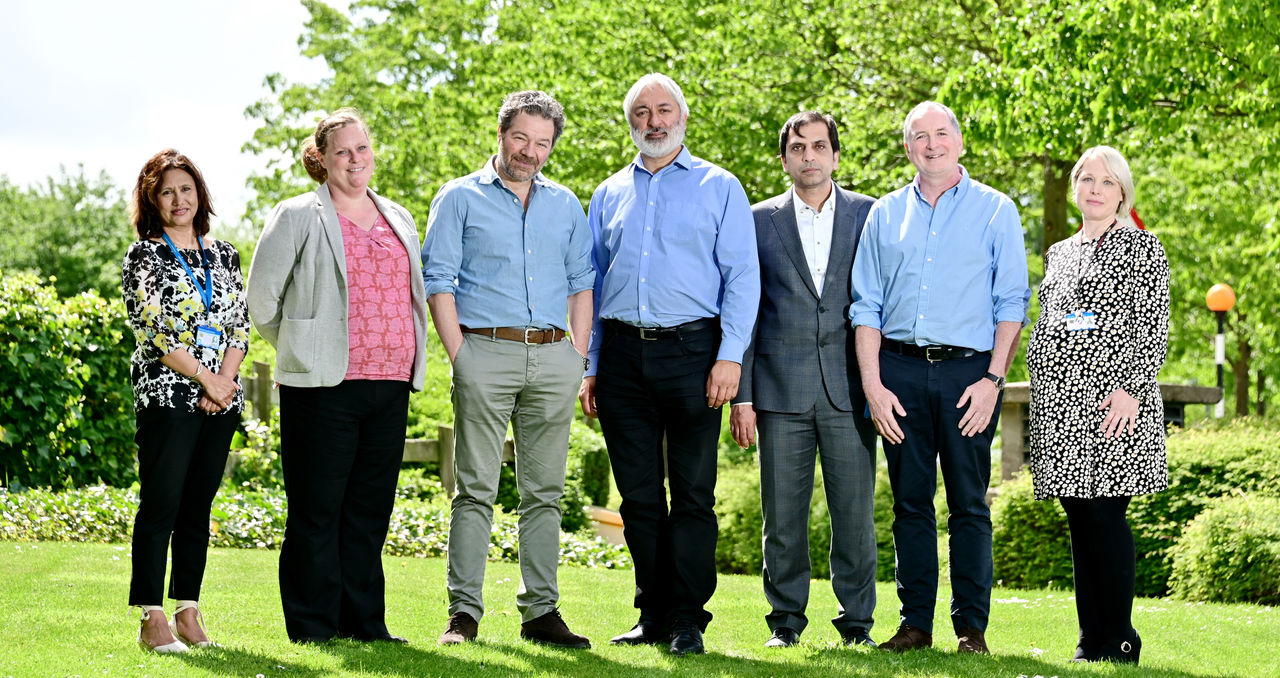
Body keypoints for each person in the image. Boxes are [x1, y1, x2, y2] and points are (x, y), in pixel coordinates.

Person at [579, 72, 760, 656]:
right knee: (637, 497)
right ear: (629, 122)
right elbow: (592, 283)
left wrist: (729, 357)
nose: (653, 121)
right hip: (622, 357)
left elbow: (742, 278)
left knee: (692, 494)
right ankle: (652, 614)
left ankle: (687, 619)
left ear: (682, 117)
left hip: (694, 354)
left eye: (662, 110)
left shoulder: (719, 186)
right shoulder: (608, 193)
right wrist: (591, 365)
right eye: (641, 112)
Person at [850, 101, 1030, 654]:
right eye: (920, 137)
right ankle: (915, 626)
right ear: (908, 148)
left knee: (969, 504)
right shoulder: (884, 214)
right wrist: (874, 386)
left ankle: (971, 630)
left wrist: (993, 380)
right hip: (899, 373)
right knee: (910, 503)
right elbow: (866, 306)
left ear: (959, 140)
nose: (931, 144)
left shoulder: (996, 210)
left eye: (940, 133)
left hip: (970, 376)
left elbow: (1011, 303)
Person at [247, 108, 429, 644]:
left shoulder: (399, 216)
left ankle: (365, 623)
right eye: (342, 151)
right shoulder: (296, 214)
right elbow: (260, 302)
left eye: (362, 148)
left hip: (391, 382)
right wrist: (305, 348)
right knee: (317, 509)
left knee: (369, 512)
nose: (354, 159)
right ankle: (312, 626)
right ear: (322, 159)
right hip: (323, 385)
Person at [422, 90, 594, 649]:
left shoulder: (565, 205)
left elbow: (582, 282)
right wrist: (461, 356)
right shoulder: (459, 197)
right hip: (485, 353)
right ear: (501, 135)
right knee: (475, 490)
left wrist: (578, 354)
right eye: (521, 138)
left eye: (542, 143)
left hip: (553, 357)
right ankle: (463, 615)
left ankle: (541, 612)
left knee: (545, 493)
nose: (530, 151)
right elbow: (438, 280)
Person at [729, 112, 879, 649]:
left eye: (819, 146)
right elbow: (743, 309)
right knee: (782, 520)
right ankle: (785, 621)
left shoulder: (870, 214)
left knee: (855, 517)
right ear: (784, 158)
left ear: (835, 155)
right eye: (798, 148)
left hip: (850, 390)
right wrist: (742, 395)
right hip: (777, 389)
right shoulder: (756, 220)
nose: (809, 156)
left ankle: (856, 624)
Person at [1027, 146, 1169, 665]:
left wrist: (1132, 388)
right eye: (1087, 179)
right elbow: (1055, 317)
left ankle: (1120, 638)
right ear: (1074, 188)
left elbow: (1153, 325)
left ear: (1122, 192)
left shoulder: (1142, 247)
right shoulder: (1060, 252)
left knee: (1105, 516)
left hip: (1115, 401)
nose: (1095, 189)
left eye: (1107, 181)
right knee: (1080, 521)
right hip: (1060, 404)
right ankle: (1090, 639)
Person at [122, 149, 248, 653]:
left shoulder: (225, 255)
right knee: (162, 504)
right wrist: (205, 378)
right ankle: (151, 619)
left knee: (197, 508)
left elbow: (239, 325)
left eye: (186, 189)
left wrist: (224, 383)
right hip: (167, 395)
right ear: (152, 200)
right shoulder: (144, 256)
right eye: (167, 192)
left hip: (220, 399)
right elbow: (152, 330)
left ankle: (188, 612)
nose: (179, 200)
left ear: (200, 194)